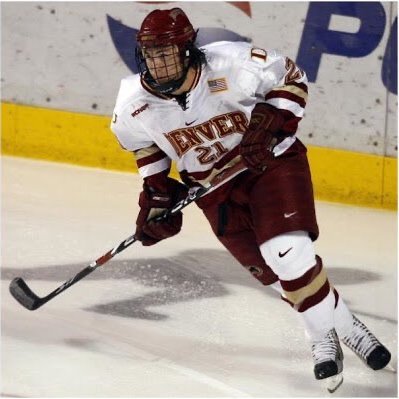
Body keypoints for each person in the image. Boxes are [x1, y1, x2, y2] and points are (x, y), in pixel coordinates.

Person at [110, 7, 391, 392]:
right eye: (152, 54)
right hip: (213, 190)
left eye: (167, 52)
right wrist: (157, 192)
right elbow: (144, 146)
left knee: (289, 254)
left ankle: (320, 340)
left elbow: (291, 78)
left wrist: (271, 124)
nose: (159, 63)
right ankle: (345, 326)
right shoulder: (132, 102)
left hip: (269, 166)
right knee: (276, 277)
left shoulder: (231, 62)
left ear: (187, 48)